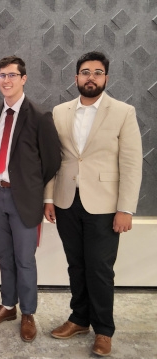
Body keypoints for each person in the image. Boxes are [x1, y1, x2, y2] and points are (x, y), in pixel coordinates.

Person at [44, 51, 142, 357]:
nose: (91, 77)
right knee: (77, 265)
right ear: (76, 78)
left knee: (99, 268)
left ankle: (103, 330)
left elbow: (131, 163)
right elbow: (52, 159)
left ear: (106, 78)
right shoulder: (59, 112)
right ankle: (79, 318)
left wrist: (125, 208)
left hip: (105, 205)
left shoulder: (123, 112)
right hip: (65, 200)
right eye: (85, 72)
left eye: (97, 72)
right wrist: (48, 198)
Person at [0, 56, 61, 342]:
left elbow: (51, 161)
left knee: (25, 259)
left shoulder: (39, 116)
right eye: (2, 75)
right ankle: (8, 306)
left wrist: (31, 187)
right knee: (4, 256)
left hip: (23, 198)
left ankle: (28, 313)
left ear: (24, 78)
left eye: (12, 75)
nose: (6, 80)